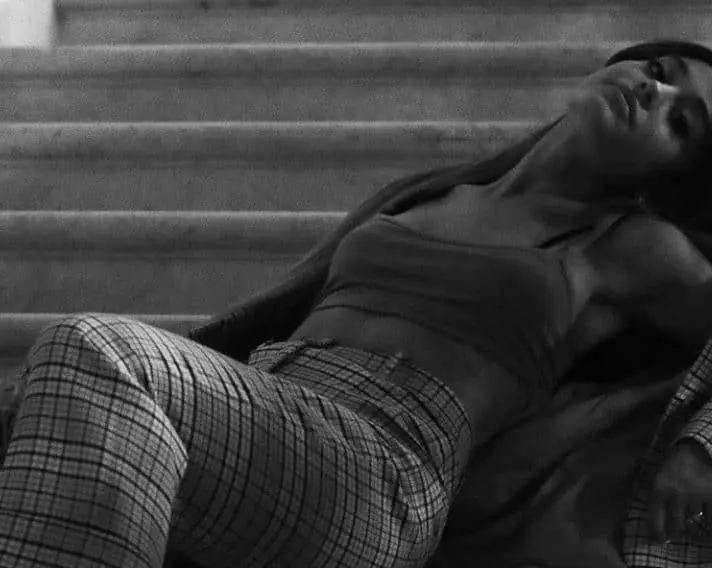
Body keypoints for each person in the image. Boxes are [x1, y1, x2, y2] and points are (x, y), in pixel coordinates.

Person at [1, 39, 712, 568]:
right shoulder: (433, 192)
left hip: (382, 471)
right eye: (658, 70)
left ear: (674, 178)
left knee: (96, 351)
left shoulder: (631, 246)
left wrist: (702, 445)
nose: (654, 92)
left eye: (682, 122)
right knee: (61, 413)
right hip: (268, 413)